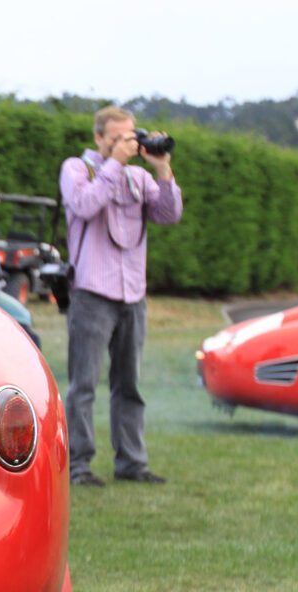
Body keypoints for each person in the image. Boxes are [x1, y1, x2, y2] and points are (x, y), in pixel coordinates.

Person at [61, 106, 182, 487]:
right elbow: (85, 205)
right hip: (92, 292)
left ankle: (132, 462)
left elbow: (168, 215)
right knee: (83, 385)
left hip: (133, 293)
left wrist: (162, 168)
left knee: (130, 385)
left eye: (131, 136)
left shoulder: (138, 176)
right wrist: (114, 163)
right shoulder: (77, 169)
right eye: (117, 138)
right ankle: (78, 465)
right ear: (98, 137)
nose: (126, 144)